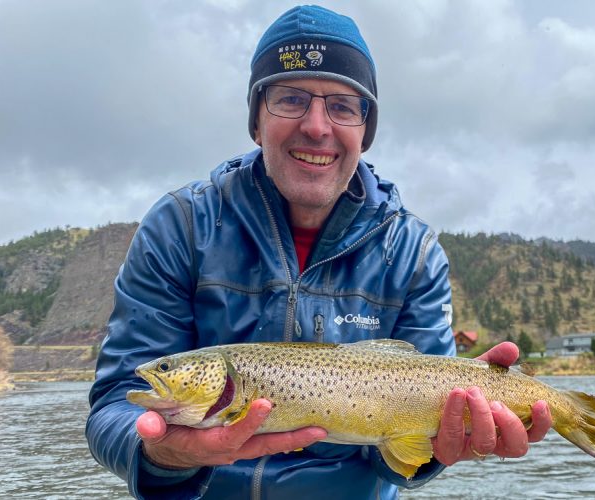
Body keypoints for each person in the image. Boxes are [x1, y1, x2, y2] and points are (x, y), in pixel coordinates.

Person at [86, 5, 552, 499]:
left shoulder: (414, 252)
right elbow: (115, 407)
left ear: (364, 131)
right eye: (290, 99)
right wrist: (166, 453)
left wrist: (441, 447)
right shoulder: (180, 226)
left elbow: (404, 459)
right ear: (256, 120)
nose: (316, 126)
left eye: (343, 107)